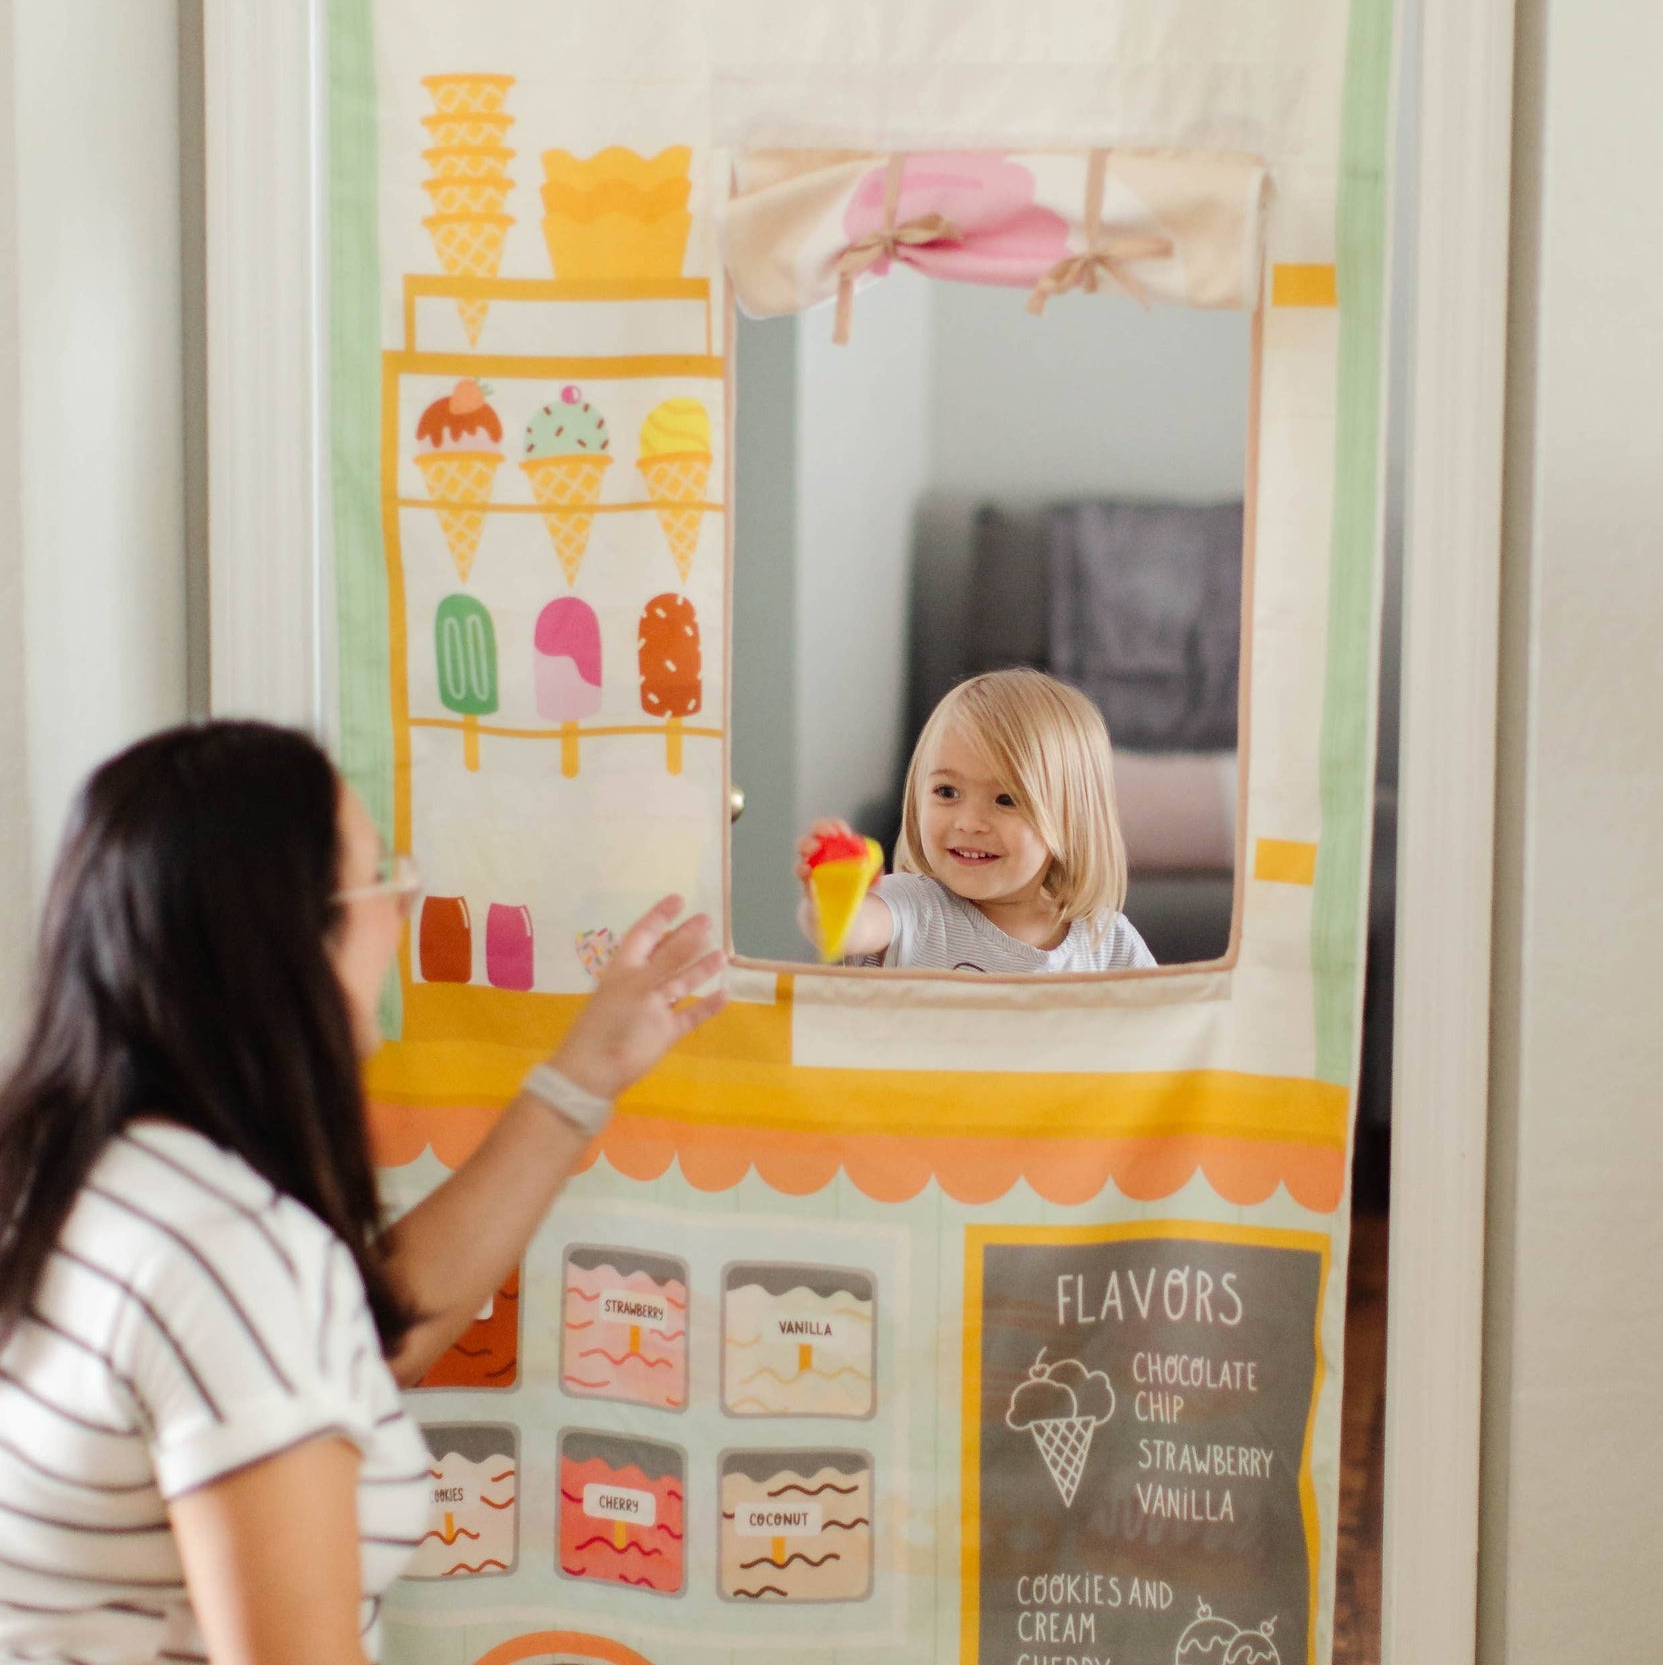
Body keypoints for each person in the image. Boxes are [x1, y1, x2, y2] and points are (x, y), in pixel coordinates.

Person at [0, 721, 725, 1665]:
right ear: (297, 939)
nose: (404, 903)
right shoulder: (228, 1249)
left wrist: (579, 1078)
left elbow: (353, 1347)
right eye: (383, 873)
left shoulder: (82, 1175)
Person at [795, 668, 1155, 973]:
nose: (968, 823)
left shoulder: (1108, 943)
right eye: (947, 792)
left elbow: (1168, 1031)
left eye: (1006, 800)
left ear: (1071, 820)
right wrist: (832, 895)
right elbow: (844, 931)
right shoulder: (914, 905)